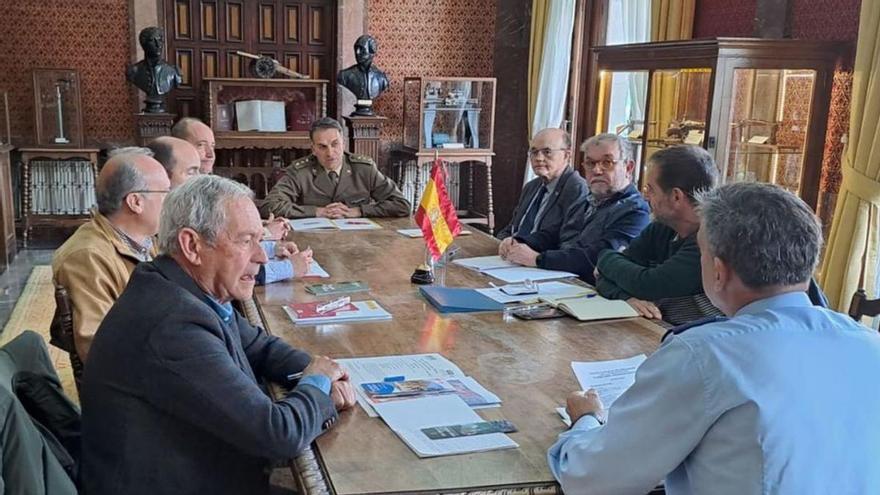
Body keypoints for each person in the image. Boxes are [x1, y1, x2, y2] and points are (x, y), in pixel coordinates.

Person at [548, 182, 880, 494]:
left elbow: (593, 479)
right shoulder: (869, 344)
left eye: (701, 254)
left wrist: (586, 420)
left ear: (718, 271)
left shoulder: (704, 355)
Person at [81, 175, 357, 495]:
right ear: (192, 245)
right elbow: (277, 436)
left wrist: (325, 373)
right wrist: (317, 385)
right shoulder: (173, 325)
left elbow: (259, 345)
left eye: (260, 240)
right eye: (245, 241)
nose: (262, 256)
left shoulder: (182, 289)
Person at [51, 148, 169, 363]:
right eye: (166, 193)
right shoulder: (87, 256)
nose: (171, 202)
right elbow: (97, 346)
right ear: (136, 202)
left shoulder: (148, 240)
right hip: (138, 379)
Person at [148, 135, 312, 284]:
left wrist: (271, 248)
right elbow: (223, 268)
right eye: (192, 172)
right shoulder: (158, 224)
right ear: (162, 177)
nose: (200, 178)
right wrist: (288, 268)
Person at [595, 145, 720, 325]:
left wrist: (605, 259)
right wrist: (626, 298)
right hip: (657, 329)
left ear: (676, 196)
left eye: (650, 189)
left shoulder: (709, 240)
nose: (645, 197)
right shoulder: (663, 227)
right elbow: (603, 277)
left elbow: (648, 284)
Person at [505, 134, 650, 283]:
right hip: (561, 280)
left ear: (628, 167)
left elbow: (599, 256)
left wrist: (538, 259)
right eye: (590, 163)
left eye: (607, 162)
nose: (597, 170)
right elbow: (555, 232)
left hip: (593, 291)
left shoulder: (635, 211)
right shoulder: (589, 199)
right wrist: (519, 241)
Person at [260, 117, 410, 219]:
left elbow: (401, 205)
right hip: (314, 243)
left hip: (360, 241)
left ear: (343, 143)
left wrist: (359, 211)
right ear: (313, 149)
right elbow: (269, 206)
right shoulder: (301, 171)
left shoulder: (363, 169)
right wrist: (317, 211)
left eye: (335, 144)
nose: (330, 153)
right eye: (322, 147)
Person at [497, 128, 589, 258]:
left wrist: (536, 258)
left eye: (547, 152)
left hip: (541, 264)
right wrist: (503, 242)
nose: (539, 158)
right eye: (534, 152)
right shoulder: (532, 187)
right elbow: (512, 228)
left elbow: (569, 245)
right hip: (510, 258)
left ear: (567, 155)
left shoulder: (577, 189)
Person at [126, 26, 182, 113]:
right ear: (143, 45)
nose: (158, 45)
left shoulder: (172, 72)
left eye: (160, 40)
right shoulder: (134, 71)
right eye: (152, 40)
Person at [337, 34, 390, 116]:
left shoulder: (382, 79)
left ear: (372, 51)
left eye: (361, 49)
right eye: (356, 49)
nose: (357, 52)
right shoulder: (344, 75)